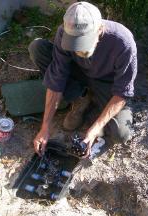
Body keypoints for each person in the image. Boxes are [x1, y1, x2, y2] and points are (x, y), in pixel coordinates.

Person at [28, 1, 137, 158]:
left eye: (83, 42)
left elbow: (122, 92)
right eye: (74, 43)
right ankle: (81, 98)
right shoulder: (62, 34)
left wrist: (94, 130)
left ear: (99, 29)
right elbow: (56, 78)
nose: (78, 48)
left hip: (107, 84)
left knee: (120, 134)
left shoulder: (123, 43)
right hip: (79, 73)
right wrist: (45, 127)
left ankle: (95, 100)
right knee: (38, 48)